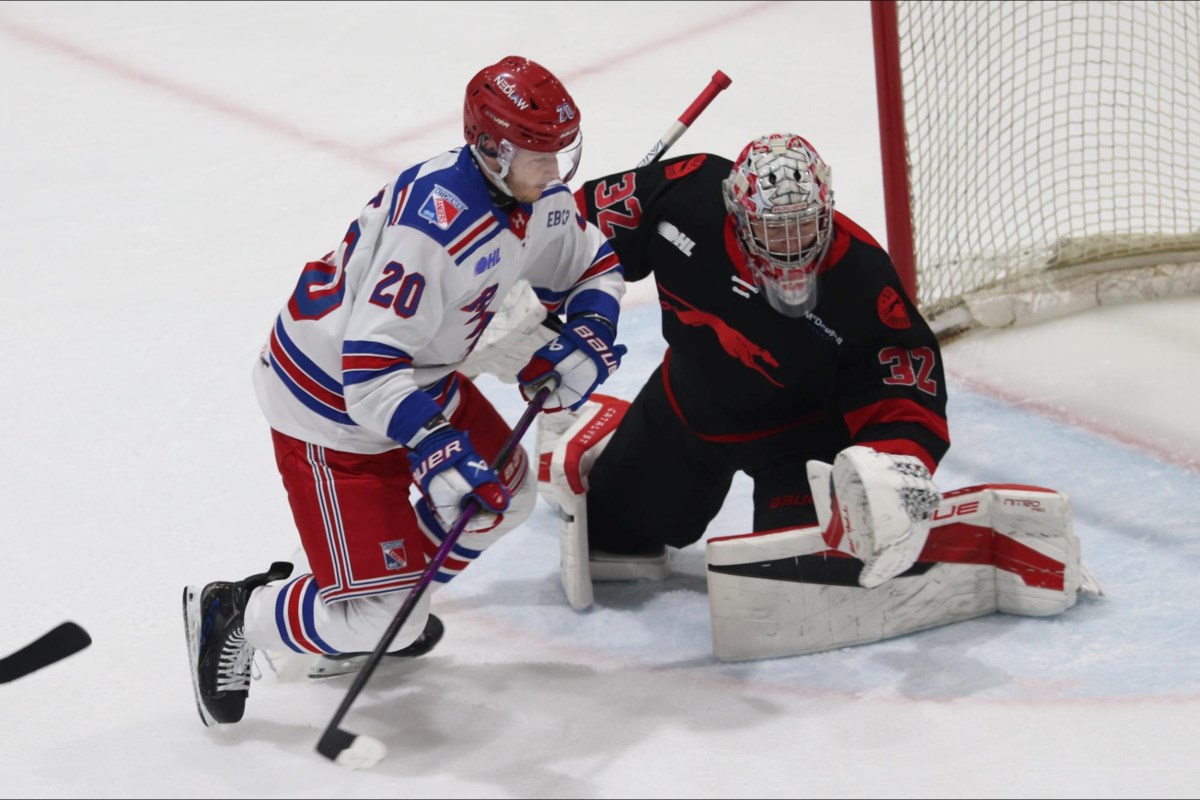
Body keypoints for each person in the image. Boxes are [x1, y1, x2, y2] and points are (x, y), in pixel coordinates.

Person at [182, 56, 627, 727]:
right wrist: (436, 447)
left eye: (561, 153)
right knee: (382, 613)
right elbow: (367, 365)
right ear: (490, 149)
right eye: (541, 156)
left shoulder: (532, 197)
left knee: (501, 491)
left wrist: (590, 331)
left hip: (412, 376)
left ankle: (377, 606)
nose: (557, 172)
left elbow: (593, 262)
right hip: (329, 403)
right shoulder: (433, 228)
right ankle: (237, 614)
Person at [556, 132, 950, 590]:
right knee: (613, 543)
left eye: (803, 224)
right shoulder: (682, 194)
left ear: (826, 209)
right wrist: (524, 292)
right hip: (689, 409)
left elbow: (904, 393)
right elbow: (563, 229)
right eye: (772, 227)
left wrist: (893, 470)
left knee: (805, 574)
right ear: (737, 212)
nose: (791, 245)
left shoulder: (863, 276)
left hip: (801, 443)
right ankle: (611, 429)